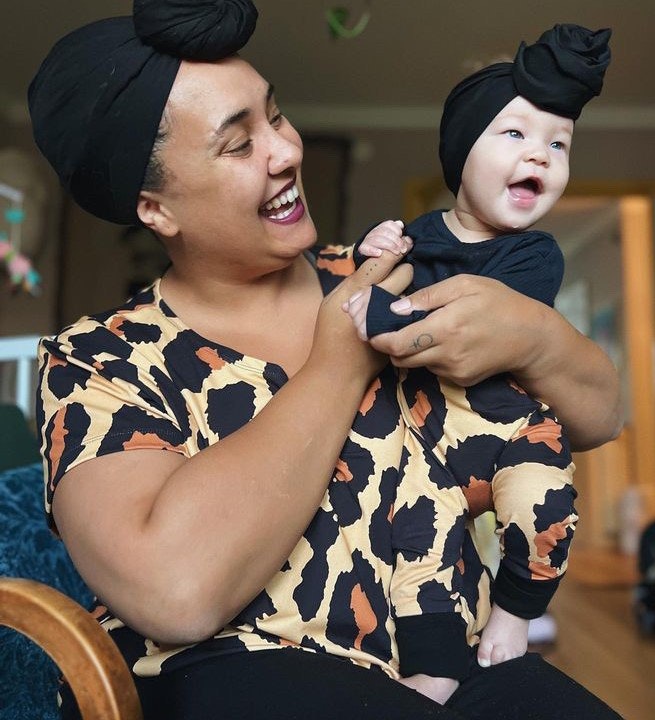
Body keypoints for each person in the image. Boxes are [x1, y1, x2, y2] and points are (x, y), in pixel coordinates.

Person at [29, 1, 622, 718]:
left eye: (274, 116)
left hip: (444, 662)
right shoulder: (97, 360)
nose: (286, 151)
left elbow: (599, 417)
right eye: (238, 144)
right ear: (155, 207)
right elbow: (174, 596)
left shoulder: (397, 279)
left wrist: (536, 337)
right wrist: (338, 363)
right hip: (228, 677)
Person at [345, 24, 611, 696]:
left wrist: (380, 310)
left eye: (558, 143)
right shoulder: (419, 235)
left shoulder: (533, 255)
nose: (542, 155)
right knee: (422, 537)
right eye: (516, 135)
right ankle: (432, 673)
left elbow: (464, 322)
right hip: (428, 435)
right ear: (461, 152)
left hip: (504, 427)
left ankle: (518, 612)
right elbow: (361, 282)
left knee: (541, 501)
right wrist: (369, 255)